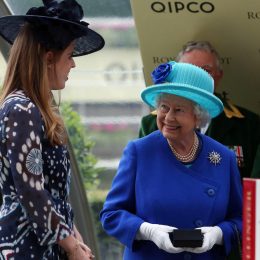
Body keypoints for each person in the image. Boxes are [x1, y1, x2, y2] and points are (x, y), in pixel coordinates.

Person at [100, 61, 242, 259]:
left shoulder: (224, 158)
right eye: (164, 107)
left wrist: (218, 235)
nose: (168, 117)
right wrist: (147, 231)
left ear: (198, 117)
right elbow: (111, 214)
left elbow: (241, 219)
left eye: (179, 110)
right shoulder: (139, 152)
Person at [0, 0, 104, 259]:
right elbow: (31, 191)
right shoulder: (21, 109)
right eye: (69, 55)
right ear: (49, 58)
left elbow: (52, 194)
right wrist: (71, 245)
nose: (73, 64)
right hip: (28, 249)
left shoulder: (35, 109)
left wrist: (75, 238)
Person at [139, 41, 260, 180]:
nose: (196, 78)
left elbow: (256, 189)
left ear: (219, 75)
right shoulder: (152, 124)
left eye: (206, 71)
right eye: (189, 70)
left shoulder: (250, 125)